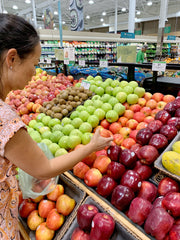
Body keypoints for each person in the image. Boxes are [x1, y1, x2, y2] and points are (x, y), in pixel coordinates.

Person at [0, 14, 113, 240]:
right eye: (34, 64)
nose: (35, 72)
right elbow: (44, 168)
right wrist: (90, 147)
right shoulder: (5, 117)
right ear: (12, 59)